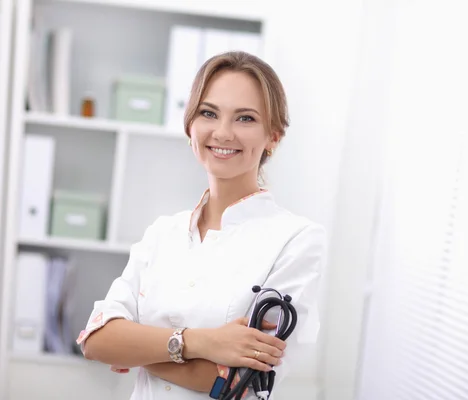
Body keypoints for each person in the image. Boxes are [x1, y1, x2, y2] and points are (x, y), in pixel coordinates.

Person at [76, 51, 326, 399]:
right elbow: (96, 342)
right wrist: (201, 342)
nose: (223, 133)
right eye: (209, 113)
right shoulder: (163, 233)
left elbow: (240, 384)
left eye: (245, 118)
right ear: (189, 125)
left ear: (274, 136)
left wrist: (138, 348)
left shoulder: (296, 241)